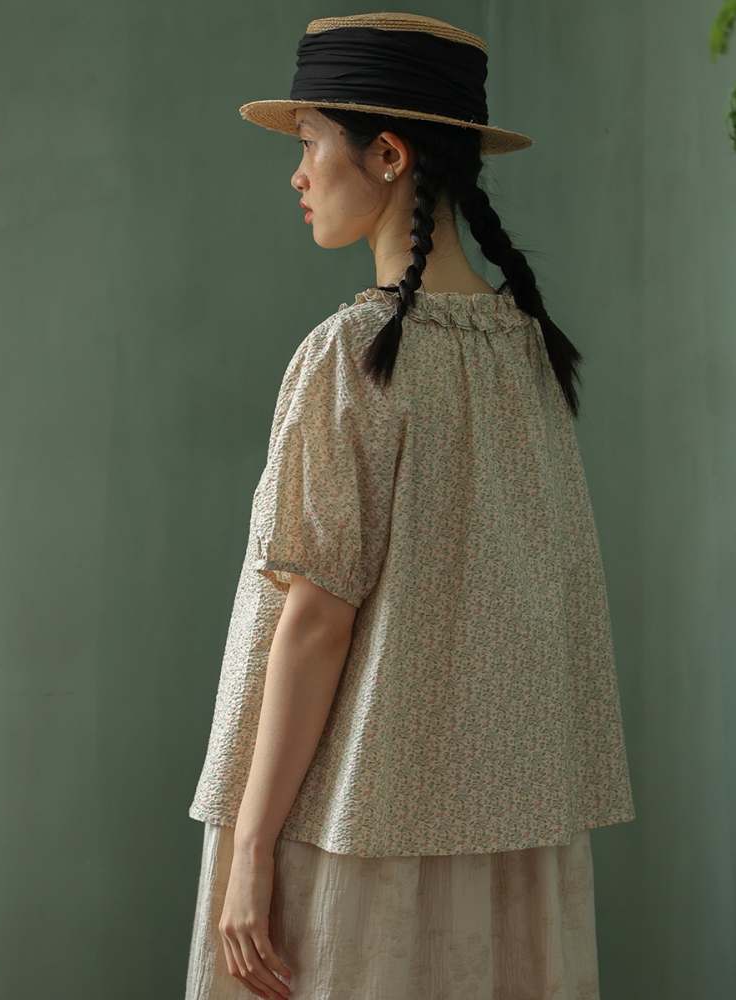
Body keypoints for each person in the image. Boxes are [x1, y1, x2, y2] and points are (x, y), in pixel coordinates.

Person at [184, 12, 636, 1000]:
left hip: (355, 828)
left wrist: (250, 851)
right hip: (513, 830)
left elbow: (315, 621)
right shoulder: (528, 351)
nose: (298, 175)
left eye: (311, 144)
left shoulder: (350, 356)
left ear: (386, 155)